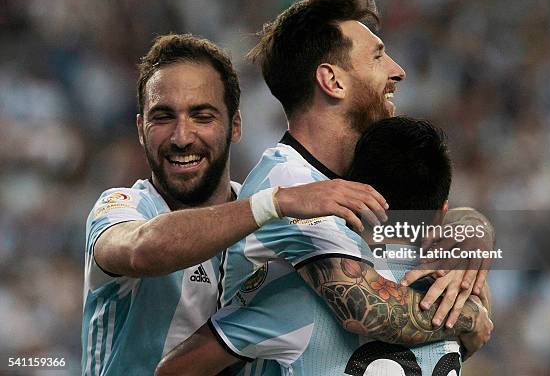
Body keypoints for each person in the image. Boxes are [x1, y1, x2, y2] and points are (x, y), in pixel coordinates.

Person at [157, 0, 493, 375]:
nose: (398, 71)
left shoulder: (360, 177)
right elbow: (364, 310)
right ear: (332, 81)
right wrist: (470, 318)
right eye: (378, 56)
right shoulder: (289, 182)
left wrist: (471, 228)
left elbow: (432, 229)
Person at [81, 33, 388, 376]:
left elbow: (382, 289)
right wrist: (276, 201)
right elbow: (142, 250)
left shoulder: (280, 220)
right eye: (163, 117)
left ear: (235, 125)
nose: (181, 137)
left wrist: (456, 267)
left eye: (202, 116)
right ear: (141, 129)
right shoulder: (124, 207)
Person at [157, 117, 492, 375]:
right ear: (441, 214)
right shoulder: (460, 294)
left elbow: (175, 369)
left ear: (350, 192)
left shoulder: (302, 293)